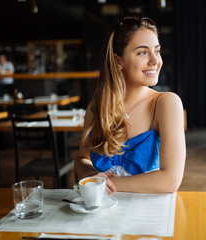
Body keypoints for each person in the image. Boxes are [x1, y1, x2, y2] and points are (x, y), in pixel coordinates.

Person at [75, 17, 186, 194]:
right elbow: (82, 158)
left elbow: (171, 180)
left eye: (157, 51)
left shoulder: (166, 103)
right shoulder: (97, 107)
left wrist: (103, 186)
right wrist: (91, 176)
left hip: (146, 212)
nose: (155, 61)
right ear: (118, 61)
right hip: (103, 211)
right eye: (142, 52)